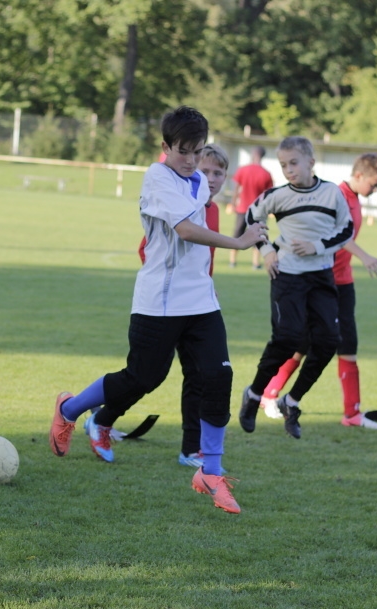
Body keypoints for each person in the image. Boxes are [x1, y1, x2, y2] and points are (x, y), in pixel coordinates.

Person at [48, 107, 267, 514]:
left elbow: (203, 197)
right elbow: (185, 229)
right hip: (159, 304)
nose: (190, 160)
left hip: (201, 300)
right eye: (183, 151)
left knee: (218, 375)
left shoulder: (199, 178)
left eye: (197, 152)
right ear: (165, 147)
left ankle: (210, 473)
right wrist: (239, 242)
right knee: (141, 378)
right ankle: (69, 409)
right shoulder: (156, 178)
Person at [260, 153, 377, 430]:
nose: (376, 189)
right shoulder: (336, 195)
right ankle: (270, 395)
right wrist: (366, 257)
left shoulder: (354, 199)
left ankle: (350, 413)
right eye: (374, 183)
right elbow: (340, 236)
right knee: (303, 344)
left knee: (343, 344)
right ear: (359, 175)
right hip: (321, 282)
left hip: (343, 282)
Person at [236, 136, 354, 440]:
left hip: (321, 279)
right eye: (283, 165)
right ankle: (254, 394)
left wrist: (316, 246)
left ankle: (292, 400)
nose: (289, 170)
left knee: (329, 341)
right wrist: (266, 251)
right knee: (288, 338)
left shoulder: (331, 193)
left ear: (311, 162)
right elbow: (252, 217)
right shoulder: (277, 195)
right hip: (287, 276)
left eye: (294, 163)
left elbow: (347, 229)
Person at [178, 144, 229, 468]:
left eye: (218, 173)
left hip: (198, 304)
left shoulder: (213, 209)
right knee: (145, 375)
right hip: (169, 303)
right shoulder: (182, 203)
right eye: (205, 171)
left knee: (200, 374)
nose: (211, 178)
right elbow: (147, 249)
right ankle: (101, 418)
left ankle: (191, 449)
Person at [229, 146, 273, 270]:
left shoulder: (242, 170)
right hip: (258, 211)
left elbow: (237, 189)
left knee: (237, 233)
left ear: (253, 154)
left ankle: (232, 261)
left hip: (242, 209)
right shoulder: (266, 174)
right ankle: (255, 263)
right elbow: (267, 196)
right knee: (258, 235)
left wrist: (233, 204)